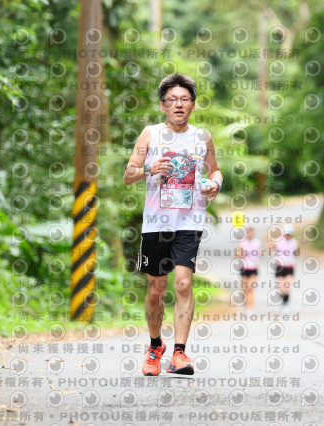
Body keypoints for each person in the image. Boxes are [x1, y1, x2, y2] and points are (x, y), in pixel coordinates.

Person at [123, 73, 223, 376]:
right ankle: (155, 345)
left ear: (193, 105)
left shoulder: (202, 137)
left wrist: (215, 185)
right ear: (162, 105)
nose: (179, 104)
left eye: (185, 99)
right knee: (156, 288)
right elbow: (128, 174)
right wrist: (149, 168)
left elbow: (215, 171)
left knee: (182, 283)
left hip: (189, 221)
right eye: (172, 100)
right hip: (156, 224)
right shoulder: (150, 134)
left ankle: (180, 353)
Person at [268, 224, 299, 314]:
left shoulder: (294, 242)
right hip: (280, 267)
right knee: (281, 288)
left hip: (289, 267)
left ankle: (285, 304)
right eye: (287, 233)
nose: (288, 235)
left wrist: (293, 256)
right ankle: (283, 301)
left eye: (290, 234)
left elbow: (295, 253)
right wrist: (273, 255)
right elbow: (269, 247)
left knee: (287, 287)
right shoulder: (278, 241)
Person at [235, 226, 260, 311]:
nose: (251, 234)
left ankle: (250, 306)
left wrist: (259, 253)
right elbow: (237, 255)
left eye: (252, 232)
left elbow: (261, 253)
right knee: (244, 288)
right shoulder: (242, 242)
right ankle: (244, 303)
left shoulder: (257, 242)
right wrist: (242, 253)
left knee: (251, 288)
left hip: (254, 268)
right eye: (249, 232)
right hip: (244, 268)